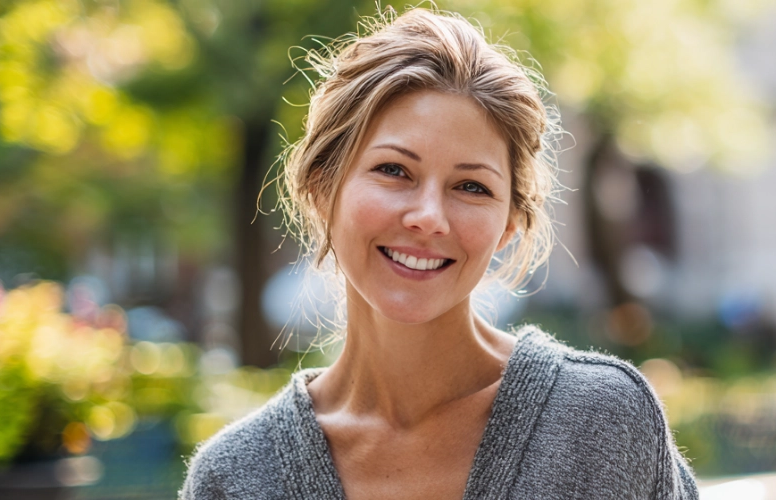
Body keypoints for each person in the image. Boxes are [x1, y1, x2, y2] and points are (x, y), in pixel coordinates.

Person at [180, 8, 698, 499]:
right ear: (321, 187)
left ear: (509, 224)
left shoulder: (603, 423)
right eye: (394, 170)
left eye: (471, 187)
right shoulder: (235, 476)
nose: (429, 216)